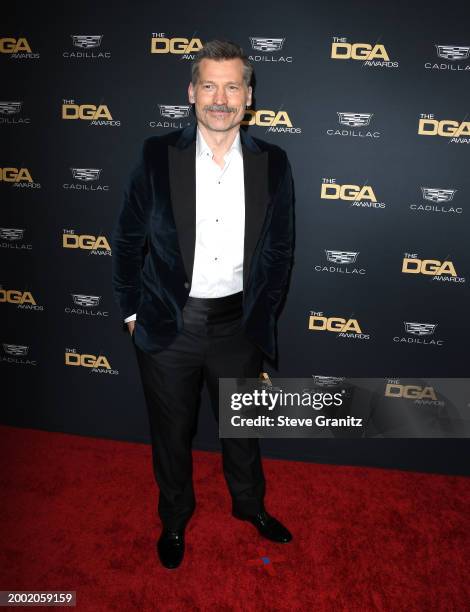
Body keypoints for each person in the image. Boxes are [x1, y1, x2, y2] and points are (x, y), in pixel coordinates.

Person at [112, 39, 295, 570]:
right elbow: (126, 241)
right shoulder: (155, 155)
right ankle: (174, 518)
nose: (221, 97)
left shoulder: (275, 164)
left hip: (237, 324)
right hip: (169, 324)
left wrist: (262, 318)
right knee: (171, 434)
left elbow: (280, 251)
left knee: (242, 427)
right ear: (191, 93)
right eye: (209, 85)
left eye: (232, 85)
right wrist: (130, 314)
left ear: (248, 97)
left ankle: (250, 506)